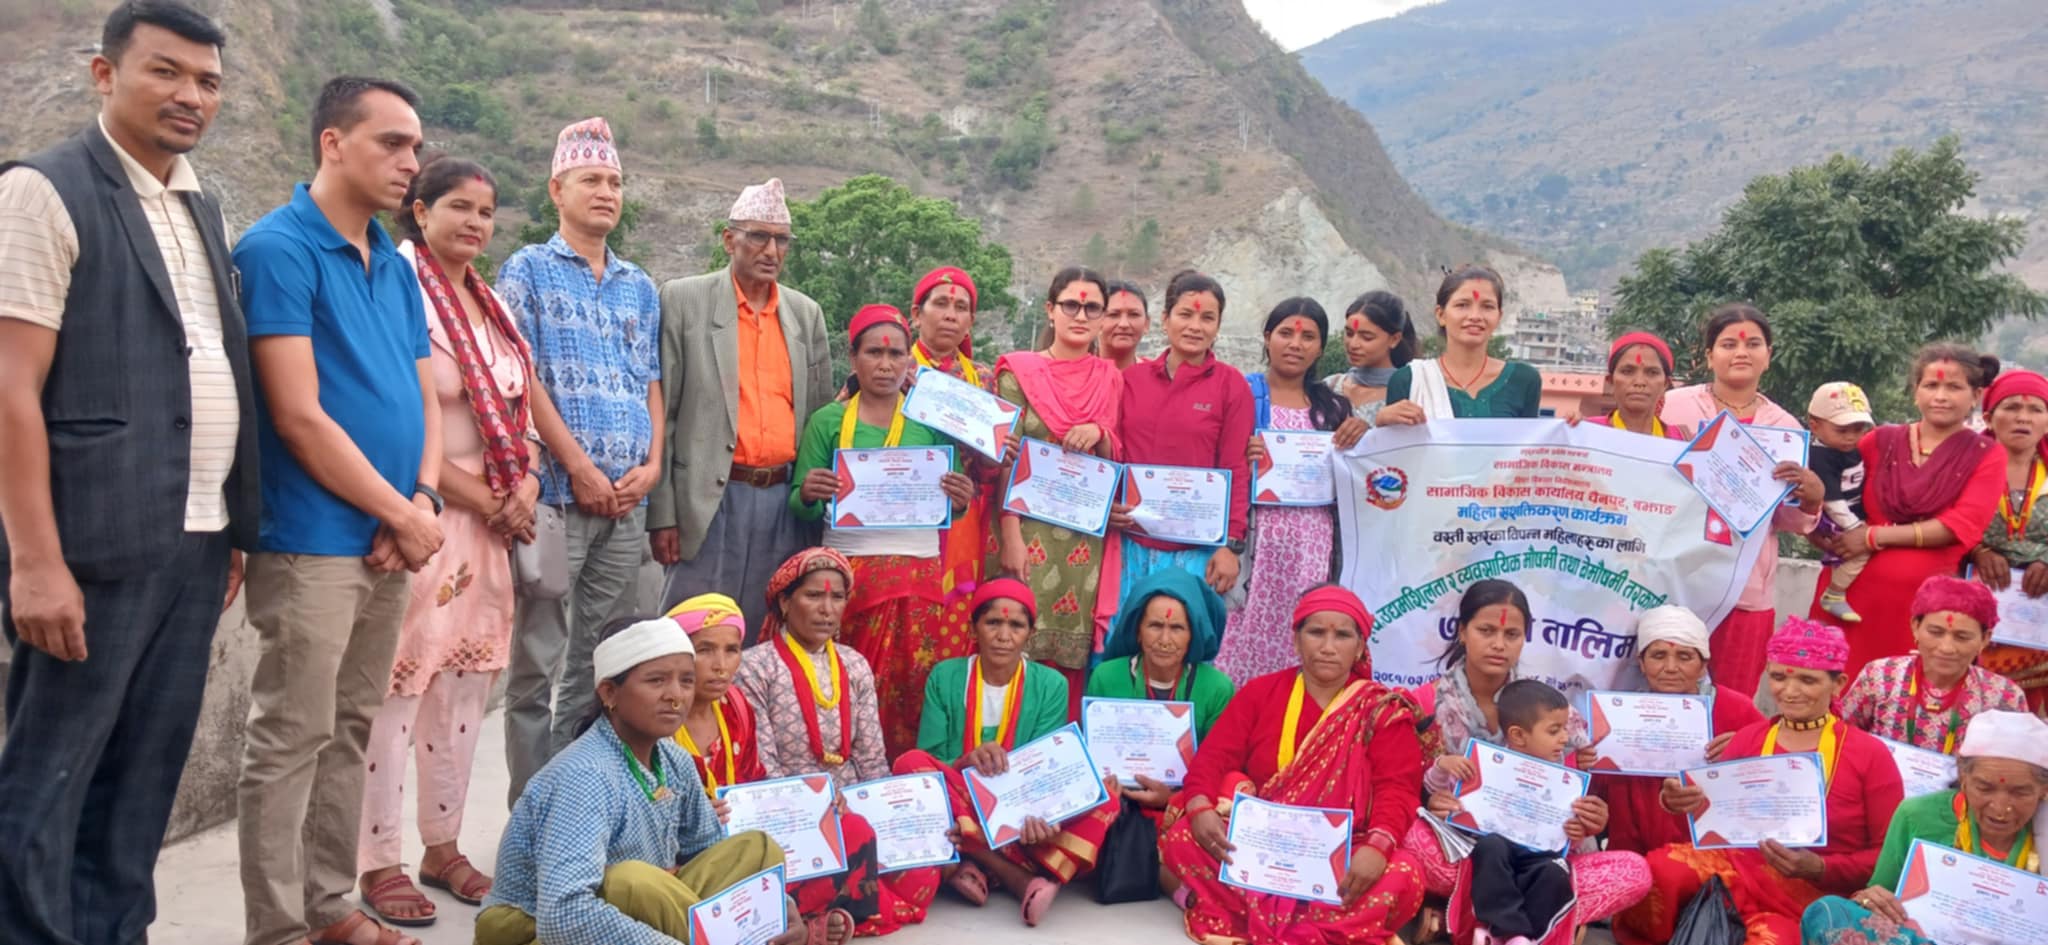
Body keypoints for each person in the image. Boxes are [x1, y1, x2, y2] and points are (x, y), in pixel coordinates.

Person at [0, 5, 253, 943]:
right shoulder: (44, 191)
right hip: (90, 544)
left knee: (142, 778)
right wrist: (35, 562)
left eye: (209, 81)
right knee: (51, 777)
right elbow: (9, 390)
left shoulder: (198, 203)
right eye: (166, 72)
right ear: (104, 75)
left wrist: (230, 526)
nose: (191, 95)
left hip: (190, 544)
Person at [234, 75, 442, 945]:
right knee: (291, 733)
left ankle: (330, 905)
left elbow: (426, 395)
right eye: (391, 143)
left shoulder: (392, 261)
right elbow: (298, 415)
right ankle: (277, 927)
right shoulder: (276, 249)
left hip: (389, 534)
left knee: (351, 723)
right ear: (331, 142)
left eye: (416, 146)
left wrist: (421, 499)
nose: (410, 162)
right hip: (312, 538)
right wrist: (402, 509)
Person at [355, 156, 538, 926]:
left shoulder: (488, 302)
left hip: (491, 524)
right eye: (458, 207)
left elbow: (520, 408)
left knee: (464, 690)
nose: (474, 223)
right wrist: (489, 496)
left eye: (486, 212)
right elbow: (397, 408)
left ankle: (443, 841)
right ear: (419, 210)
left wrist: (523, 487)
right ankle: (377, 857)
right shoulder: (398, 285)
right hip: (422, 510)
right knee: (397, 688)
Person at [496, 116, 664, 803]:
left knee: (602, 661)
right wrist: (578, 465)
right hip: (561, 498)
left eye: (615, 182)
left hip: (628, 501)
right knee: (537, 659)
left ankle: (581, 804)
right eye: (591, 180)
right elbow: (521, 376)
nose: (606, 192)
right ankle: (532, 811)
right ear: (556, 189)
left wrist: (653, 462)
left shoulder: (639, 285)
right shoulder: (527, 270)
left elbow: (649, 378)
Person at [477, 616, 805, 945]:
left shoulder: (674, 759)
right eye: (656, 681)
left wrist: (780, 908)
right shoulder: (587, 775)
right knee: (632, 880)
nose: (676, 696)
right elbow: (564, 913)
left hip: (634, 908)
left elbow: (706, 849)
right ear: (609, 693)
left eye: (686, 681)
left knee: (757, 849)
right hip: (534, 929)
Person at [1157, 585, 1428, 945]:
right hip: (1262, 845)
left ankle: (1279, 926)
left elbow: (1399, 788)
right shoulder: (1260, 692)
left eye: (1342, 635)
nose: (1328, 646)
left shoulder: (1381, 709)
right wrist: (1200, 806)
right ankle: (1328, 930)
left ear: (1361, 646)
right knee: (1183, 834)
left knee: (1404, 872)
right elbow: (1212, 760)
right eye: (1316, 632)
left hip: (1341, 852)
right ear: (1296, 640)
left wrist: (1376, 848)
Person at [670, 592, 941, 939]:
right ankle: (803, 925)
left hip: (754, 840)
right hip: (698, 857)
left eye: (731, 650)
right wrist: (698, 815)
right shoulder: (664, 720)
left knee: (853, 830)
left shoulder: (734, 706)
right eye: (704, 650)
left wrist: (815, 808)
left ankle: (791, 921)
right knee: (730, 888)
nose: (721, 665)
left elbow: (757, 782)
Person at [1618, 618, 1905, 945]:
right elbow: (1712, 823)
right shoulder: (1750, 739)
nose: (1790, 691)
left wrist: (1819, 867)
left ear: (1838, 683)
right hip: (1738, 870)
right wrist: (1675, 802)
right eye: (1779, 677)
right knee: (1659, 870)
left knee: (1773, 939)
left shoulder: (1870, 755)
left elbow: (1887, 855)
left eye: (1807, 680)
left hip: (1811, 894)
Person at [1404, 582, 1644, 939]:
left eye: (1512, 633)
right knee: (1409, 838)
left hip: (1540, 858)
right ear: (1462, 632)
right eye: (1486, 630)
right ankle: (1537, 923)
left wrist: (1587, 821)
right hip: (1466, 850)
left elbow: (1569, 799)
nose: (1499, 644)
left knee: (1634, 871)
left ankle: (1487, 924)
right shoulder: (1423, 706)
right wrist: (1430, 803)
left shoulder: (1547, 708)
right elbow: (1402, 790)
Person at [790, 304, 973, 756]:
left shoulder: (930, 423)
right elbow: (798, 505)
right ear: (853, 359)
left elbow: (953, 508)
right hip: (851, 578)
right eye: (874, 353)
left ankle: (913, 774)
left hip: (918, 579)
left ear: (911, 361)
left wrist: (960, 498)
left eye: (897, 355)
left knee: (915, 685)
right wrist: (810, 493)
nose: (887, 364)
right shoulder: (827, 421)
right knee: (854, 681)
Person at [652, 177, 833, 632]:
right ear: (729, 239)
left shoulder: (805, 314)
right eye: (758, 236)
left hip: (782, 501)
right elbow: (664, 414)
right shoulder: (684, 299)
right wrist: (663, 515)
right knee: (693, 630)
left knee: (768, 631)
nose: (771, 250)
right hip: (709, 498)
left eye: (781, 240)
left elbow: (817, 415)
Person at [893, 578, 1121, 926]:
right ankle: (1017, 877)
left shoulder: (1051, 684)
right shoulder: (946, 676)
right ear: (974, 627)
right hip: (961, 796)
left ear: (1030, 632)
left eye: (1016, 625)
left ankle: (974, 860)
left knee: (1106, 793)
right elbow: (930, 756)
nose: (1003, 635)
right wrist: (967, 759)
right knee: (909, 764)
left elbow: (1044, 765)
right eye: (993, 622)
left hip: (1021, 806)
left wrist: (1042, 813)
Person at [1810, 343, 2005, 681]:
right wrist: (1820, 530)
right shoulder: (1878, 441)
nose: (1941, 396)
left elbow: (1959, 526)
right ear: (1915, 392)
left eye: (1954, 387)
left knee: (1899, 704)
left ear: (1975, 395)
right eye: (1931, 385)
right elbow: (1836, 492)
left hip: (1922, 612)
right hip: (1846, 597)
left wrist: (1870, 537)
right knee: (1830, 696)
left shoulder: (1987, 454)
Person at [1659, 304, 1824, 697]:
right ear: (1708, 355)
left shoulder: (1784, 427)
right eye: (1728, 343)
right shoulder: (1673, 405)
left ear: (1768, 356)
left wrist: (1812, 500)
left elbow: (1786, 519)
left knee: (1731, 701)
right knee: (1661, 693)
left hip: (1746, 588)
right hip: (1672, 578)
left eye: (1753, 343)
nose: (1741, 352)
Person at [1799, 710, 2048, 945]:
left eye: (2020, 792)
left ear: (2044, 790)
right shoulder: (1917, 815)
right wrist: (1869, 899)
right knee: (1830, 911)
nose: (2001, 807)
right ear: (1963, 775)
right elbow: (1874, 900)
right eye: (1984, 788)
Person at [990, 267, 1124, 701]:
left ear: (1103, 317)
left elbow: (1115, 454)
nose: (1080, 315)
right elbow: (1005, 458)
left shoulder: (1109, 377)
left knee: (1068, 655)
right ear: (1050, 310)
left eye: (1092, 308)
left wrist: (1100, 434)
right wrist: (1009, 531)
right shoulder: (1017, 372)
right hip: (1025, 528)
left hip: (1083, 541)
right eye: (1070, 304)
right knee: (1011, 637)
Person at [1437, 680, 1645, 945]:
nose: (1565, 738)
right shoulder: (1487, 765)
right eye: (1555, 730)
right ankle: (1508, 932)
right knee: (1490, 848)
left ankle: (1528, 939)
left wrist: (1579, 831)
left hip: (1540, 858)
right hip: (1496, 856)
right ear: (1518, 736)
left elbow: (1568, 834)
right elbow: (1444, 795)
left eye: (1564, 730)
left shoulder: (1568, 779)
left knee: (1555, 873)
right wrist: (1442, 767)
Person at [1220, 298, 1359, 684]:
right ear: (1267, 338)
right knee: (1241, 631)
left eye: (1308, 337)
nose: (1295, 344)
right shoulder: (1242, 395)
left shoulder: (1332, 408)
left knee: (1301, 628)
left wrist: (1357, 437)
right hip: (1255, 542)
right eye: (1286, 333)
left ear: (1320, 347)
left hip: (1311, 543)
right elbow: (1217, 458)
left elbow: (1354, 469)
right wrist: (1241, 452)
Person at [1115, 269, 1254, 602]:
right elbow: (1115, 453)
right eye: (1185, 314)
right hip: (1129, 544)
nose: (1195, 326)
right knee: (1123, 642)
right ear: (1164, 319)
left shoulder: (1231, 386)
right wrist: (1109, 504)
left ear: (1218, 326)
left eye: (1207, 318)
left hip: (1197, 550)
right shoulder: (1131, 380)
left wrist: (1231, 545)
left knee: (1180, 645)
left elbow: (1235, 467)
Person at [1591, 606, 1764, 855]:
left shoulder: (1736, 709)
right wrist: (1586, 761)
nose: (1670, 667)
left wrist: (1747, 745)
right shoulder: (1619, 715)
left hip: (1715, 851)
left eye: (1684, 657)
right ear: (1641, 663)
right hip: (1633, 850)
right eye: (1658, 655)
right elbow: (1597, 788)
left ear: (1703, 665)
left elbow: (1775, 766)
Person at [905, 267, 1000, 708]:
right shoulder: (891, 364)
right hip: (899, 520)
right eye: (940, 304)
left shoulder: (982, 379)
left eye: (961, 307)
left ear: (971, 322)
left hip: (963, 525)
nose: (950, 315)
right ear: (915, 313)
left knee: (956, 622)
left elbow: (988, 472)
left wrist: (1001, 449)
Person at [1085, 569, 1237, 818]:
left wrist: (1172, 798)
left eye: (1177, 628)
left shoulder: (1217, 688)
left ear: (1193, 635)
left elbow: (1218, 765)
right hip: (1115, 801)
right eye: (1155, 626)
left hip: (1185, 804)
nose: (1165, 640)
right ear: (1137, 631)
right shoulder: (1106, 676)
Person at [734, 547, 889, 786]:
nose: (827, 609)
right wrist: (814, 803)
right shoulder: (755, 667)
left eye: (837, 597)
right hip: (788, 804)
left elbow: (872, 759)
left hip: (852, 801)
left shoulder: (855, 664)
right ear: (785, 602)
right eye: (814, 596)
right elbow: (763, 763)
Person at [1837, 575, 2024, 753]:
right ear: (1915, 627)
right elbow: (1842, 736)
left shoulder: (2004, 696)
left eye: (1962, 637)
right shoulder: (1880, 675)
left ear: (1985, 639)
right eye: (1935, 632)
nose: (1947, 648)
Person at [1968, 369, 2048, 710]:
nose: (2023, 418)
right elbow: (1936, 516)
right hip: (1975, 614)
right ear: (1988, 416)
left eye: (2035, 410)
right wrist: (1977, 549)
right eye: (2012, 407)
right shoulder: (1964, 467)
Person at [1378, 265, 1541, 423]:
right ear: (1441, 315)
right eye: (1462, 305)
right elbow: (1396, 448)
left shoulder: (1523, 380)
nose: (1475, 316)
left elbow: (1530, 447)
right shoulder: (1410, 380)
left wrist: (1567, 426)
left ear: (1499, 316)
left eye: (1487, 306)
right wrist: (1382, 426)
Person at [1808, 381, 1878, 622]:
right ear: (1814, 425)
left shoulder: (1851, 448)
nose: (1851, 437)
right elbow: (1831, 500)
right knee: (1860, 551)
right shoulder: (1820, 456)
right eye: (1842, 430)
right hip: (1835, 517)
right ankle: (1835, 594)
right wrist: (1855, 528)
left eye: (1858, 429)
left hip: (1852, 511)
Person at [1322, 289, 1417, 429]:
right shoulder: (1329, 388)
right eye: (1349, 333)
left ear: (1394, 339)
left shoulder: (1410, 394)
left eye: (1367, 337)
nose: (1353, 344)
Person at [1602, 331, 1691, 439]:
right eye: (1627, 372)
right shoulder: (1588, 431)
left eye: (1652, 373)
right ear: (1610, 381)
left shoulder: (1681, 440)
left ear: (1665, 384)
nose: (1639, 382)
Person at [1098, 279, 1150, 372]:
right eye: (1113, 315)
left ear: (1146, 323)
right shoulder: (1077, 375)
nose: (1124, 324)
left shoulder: (1157, 378)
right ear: (1095, 320)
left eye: (1134, 314)